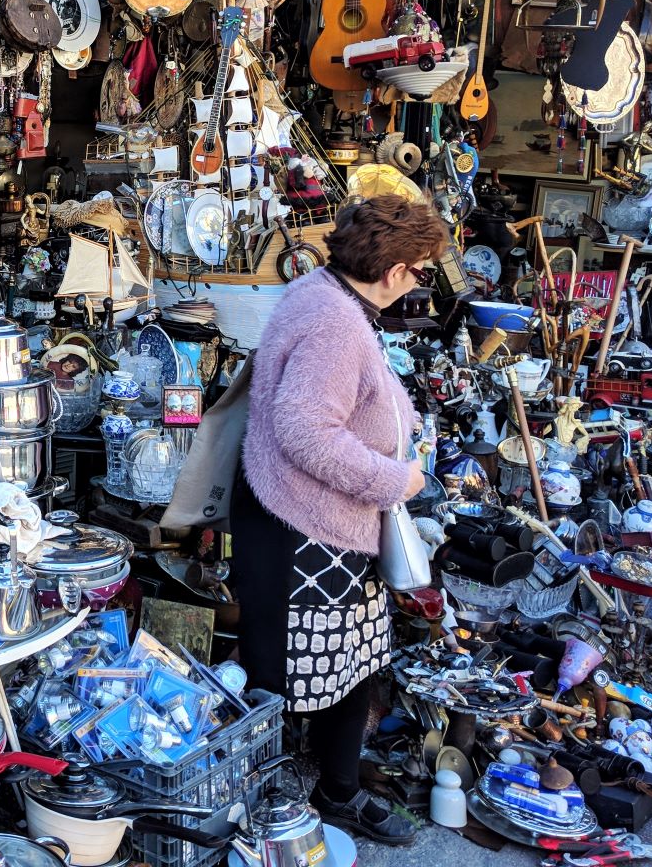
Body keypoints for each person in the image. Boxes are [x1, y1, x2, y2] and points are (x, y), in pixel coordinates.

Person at [233, 195, 448, 846]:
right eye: (422, 272)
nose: (420, 284)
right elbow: (305, 429)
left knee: (350, 660)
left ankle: (335, 789)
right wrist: (395, 478)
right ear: (394, 271)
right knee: (285, 669)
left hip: (319, 522)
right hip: (302, 527)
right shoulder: (335, 321)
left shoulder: (325, 295)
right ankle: (263, 813)